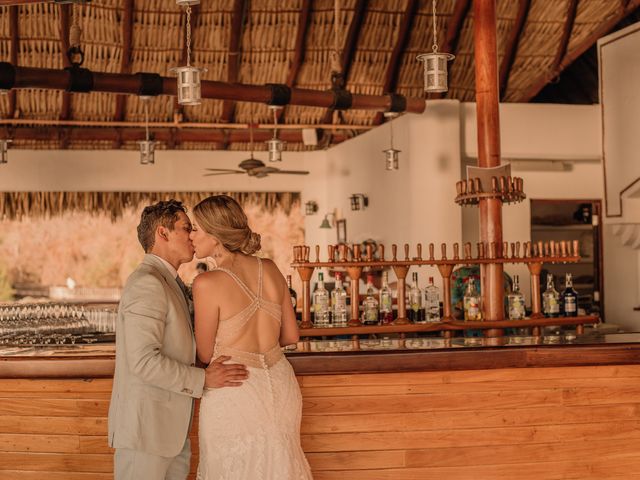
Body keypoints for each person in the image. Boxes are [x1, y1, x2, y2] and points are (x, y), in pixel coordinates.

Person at [108, 199, 249, 480]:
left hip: (171, 433)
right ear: (163, 233)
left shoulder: (169, 281)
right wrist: (203, 380)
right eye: (187, 228)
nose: (194, 235)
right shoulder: (148, 283)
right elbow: (143, 361)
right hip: (146, 435)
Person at [190, 195, 313, 479]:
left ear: (216, 234)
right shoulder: (269, 268)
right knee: (280, 463)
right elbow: (291, 334)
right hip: (281, 381)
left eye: (196, 228)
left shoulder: (207, 283)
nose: (192, 235)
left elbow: (206, 355)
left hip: (236, 385)